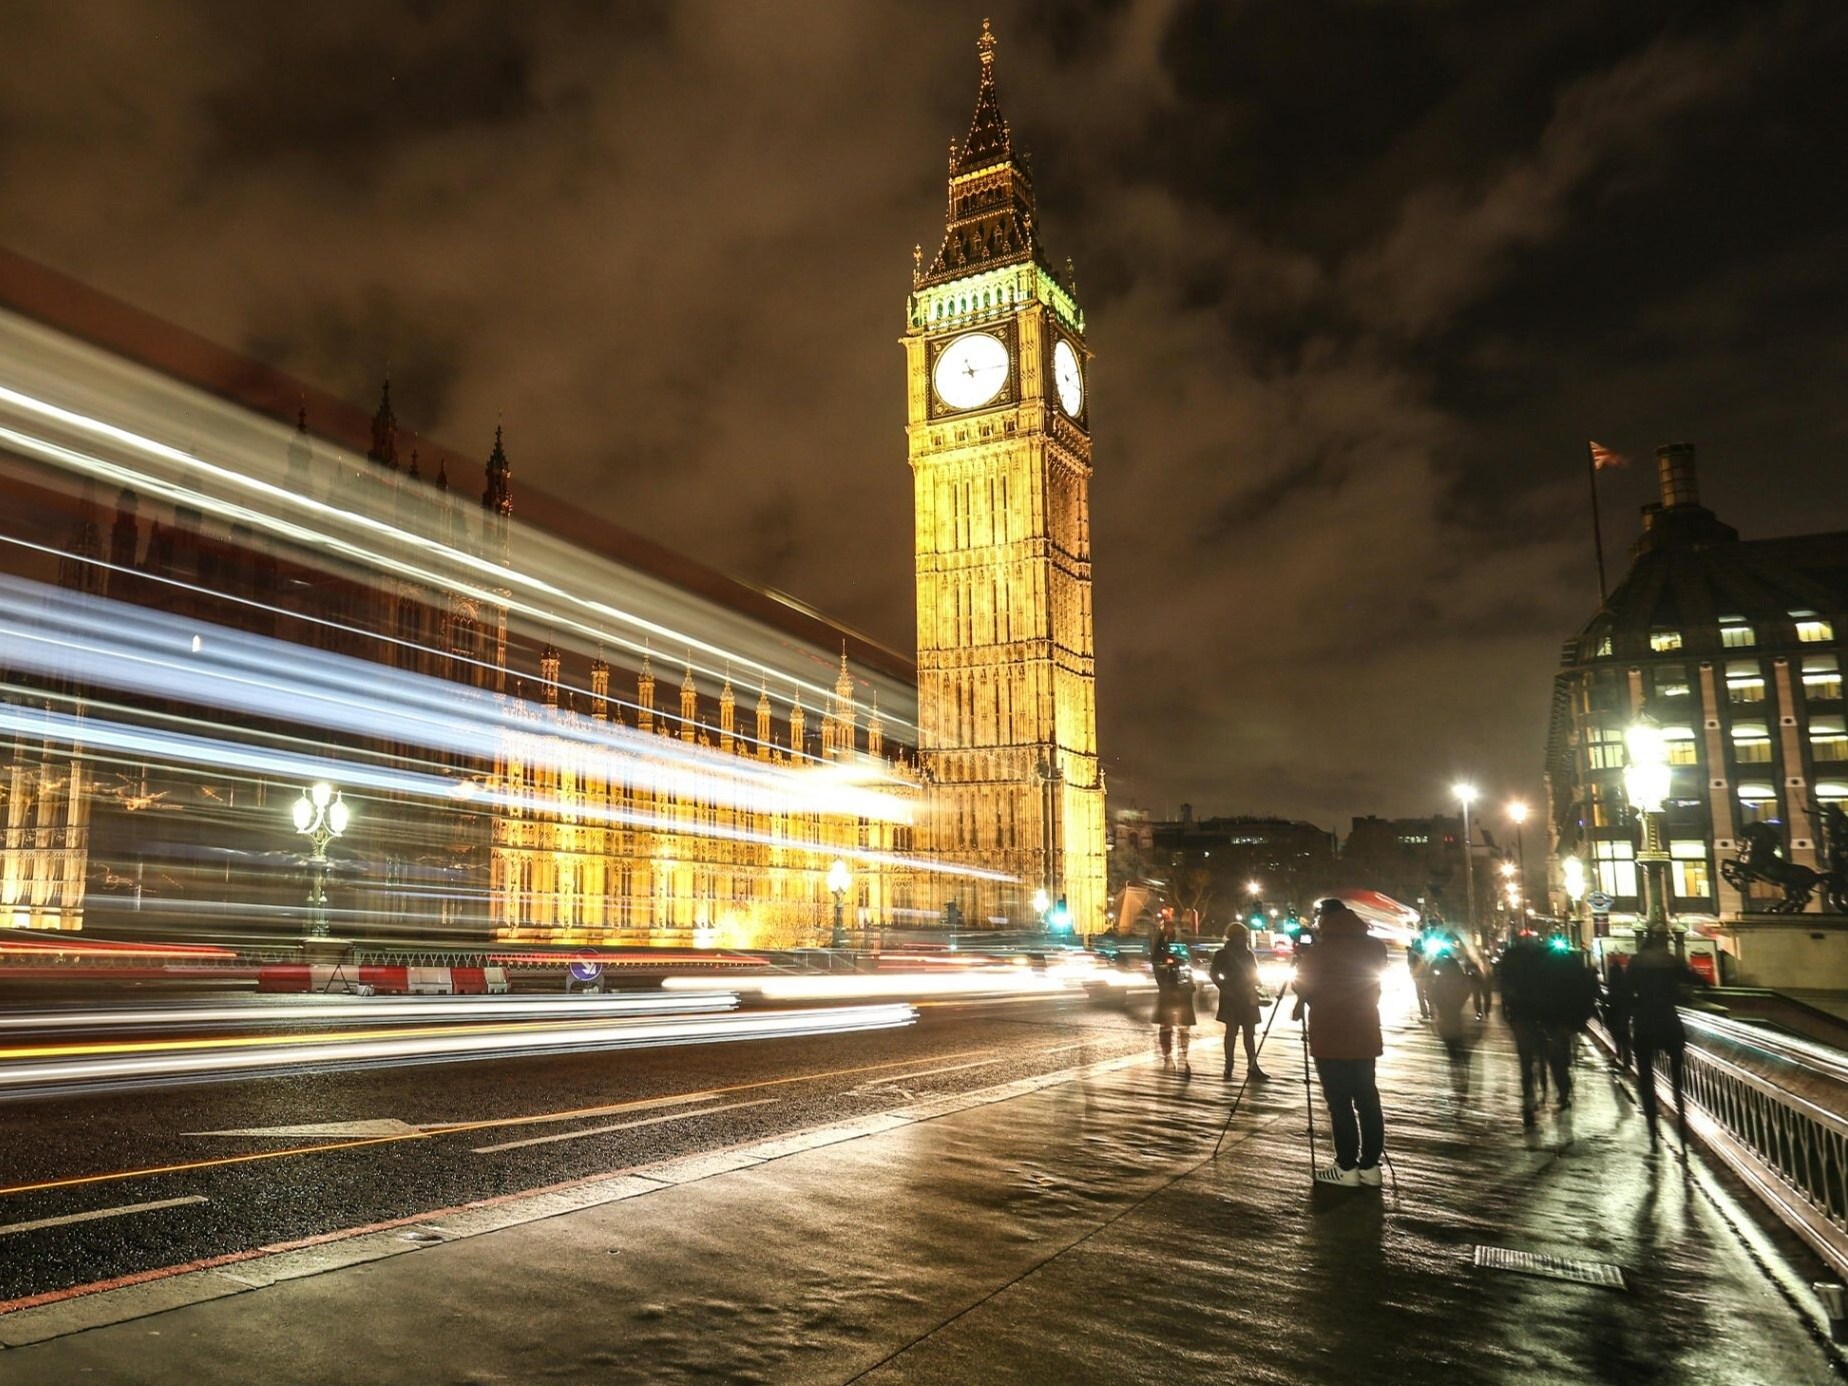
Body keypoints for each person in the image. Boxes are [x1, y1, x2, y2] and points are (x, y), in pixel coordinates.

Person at [1292, 898, 1388, 1187]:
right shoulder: (1375, 947)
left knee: (1340, 1103)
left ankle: (1345, 1167)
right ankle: (1370, 1167)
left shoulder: (1322, 951)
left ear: (1325, 919)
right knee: (1368, 1100)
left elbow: (1303, 985)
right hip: (1365, 1033)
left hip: (1330, 1036)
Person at [1628, 930, 1703, 1148]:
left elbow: (1626, 987)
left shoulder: (1636, 961)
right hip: (1667, 1019)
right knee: (1677, 1066)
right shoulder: (1669, 961)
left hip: (1644, 1021)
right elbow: (1692, 978)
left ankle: (1652, 1120)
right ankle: (1679, 1105)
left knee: (1645, 1074)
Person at [1496, 932, 1549, 1127]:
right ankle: (1540, 1084)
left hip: (1520, 1013)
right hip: (1537, 1012)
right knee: (1540, 1050)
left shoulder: (1511, 958)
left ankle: (1528, 1094)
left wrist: (1508, 1010)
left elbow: (1505, 985)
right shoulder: (1539, 958)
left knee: (1525, 1059)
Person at [1210, 922, 1269, 1083]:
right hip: (1232, 998)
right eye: (1241, 935)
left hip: (1247, 997)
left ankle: (1252, 1064)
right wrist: (1225, 987)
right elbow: (1214, 974)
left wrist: (1258, 986)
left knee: (1249, 1033)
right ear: (1234, 936)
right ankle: (1230, 1064)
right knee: (1232, 1032)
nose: (1243, 939)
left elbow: (1254, 974)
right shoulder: (1223, 954)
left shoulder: (1248, 954)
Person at [1150, 914, 1197, 1076]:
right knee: (1167, 1026)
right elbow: (1156, 964)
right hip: (1170, 990)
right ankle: (1168, 1057)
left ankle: (1183, 1057)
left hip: (1181, 990)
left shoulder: (1182, 945)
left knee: (1183, 1027)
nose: (1170, 928)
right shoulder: (1160, 947)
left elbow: (1190, 964)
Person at [1603, 955, 1634, 1071]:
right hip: (1623, 1016)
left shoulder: (1614, 989)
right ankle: (1626, 1060)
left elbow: (1610, 999)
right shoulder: (1625, 987)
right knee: (1624, 1037)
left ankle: (1622, 1058)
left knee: (1619, 1037)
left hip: (1616, 1015)